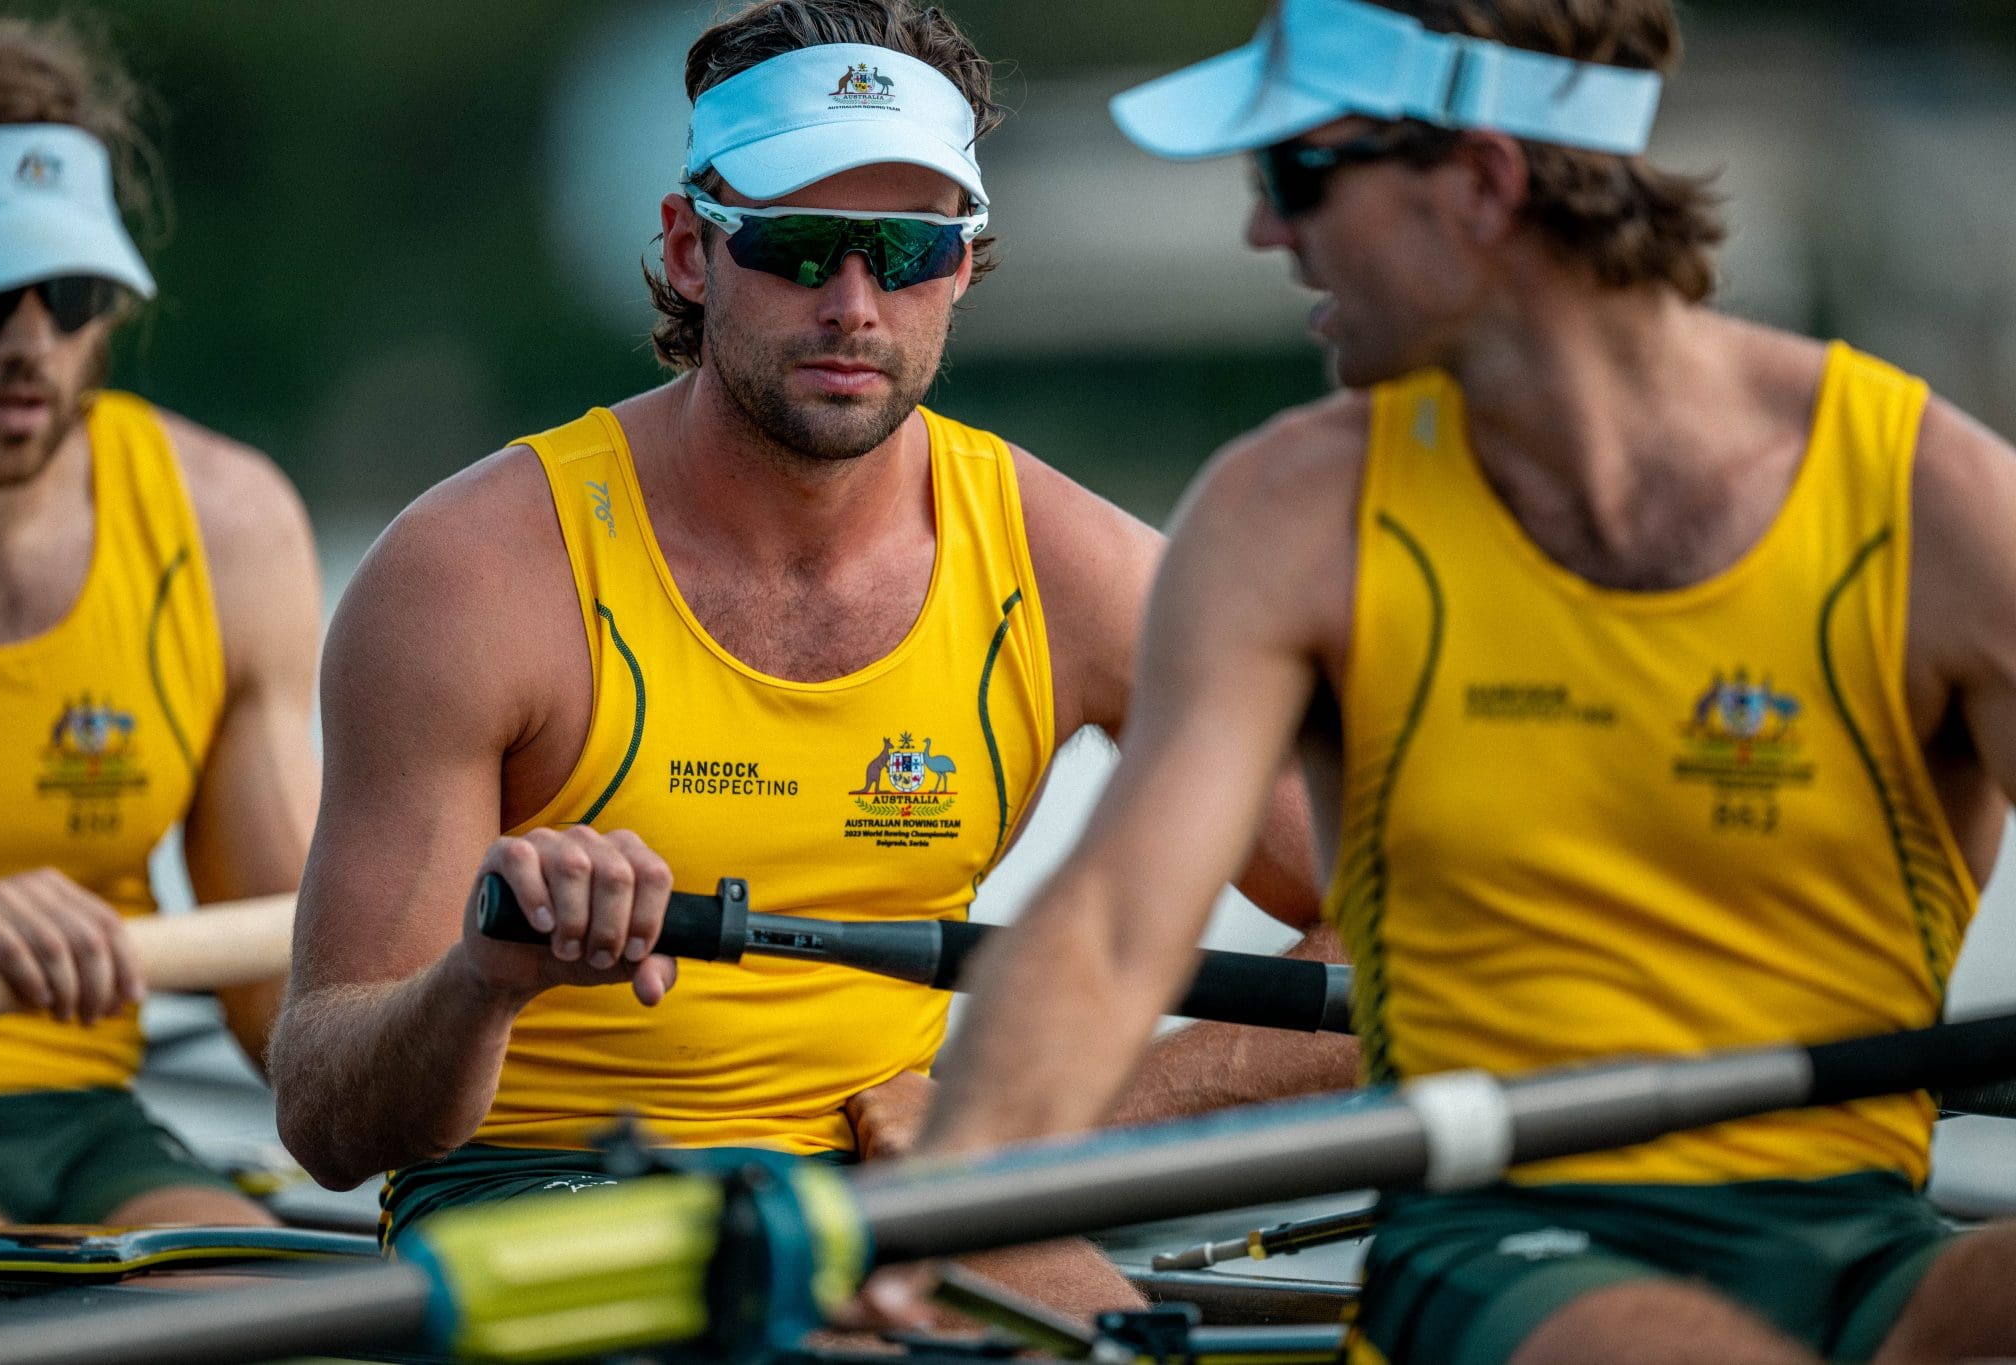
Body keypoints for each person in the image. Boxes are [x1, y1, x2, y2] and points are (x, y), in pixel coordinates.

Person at [899, 0, 2016, 1360]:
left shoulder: (1942, 514)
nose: (1263, 230)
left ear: (1483, 182)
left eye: (1297, 173)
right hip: (1503, 1244)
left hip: (1859, 1236)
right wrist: (938, 1197)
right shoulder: (1290, 522)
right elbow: (1111, 931)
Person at [268, 0, 1337, 1312]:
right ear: (690, 248)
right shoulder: (470, 576)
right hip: (545, 1188)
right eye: (795, 245)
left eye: (907, 250)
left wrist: (1036, 1110)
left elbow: (1403, 934)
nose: (853, 304)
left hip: (904, 1186)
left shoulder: (1082, 574)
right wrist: (478, 985)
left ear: (963, 263)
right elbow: (325, 1114)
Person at [0, 16, 322, 1229]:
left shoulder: (227, 531)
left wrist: (473, 985)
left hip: (88, 1123)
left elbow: (289, 1007)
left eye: (72, 293)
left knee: (275, 1311)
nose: (31, 344)